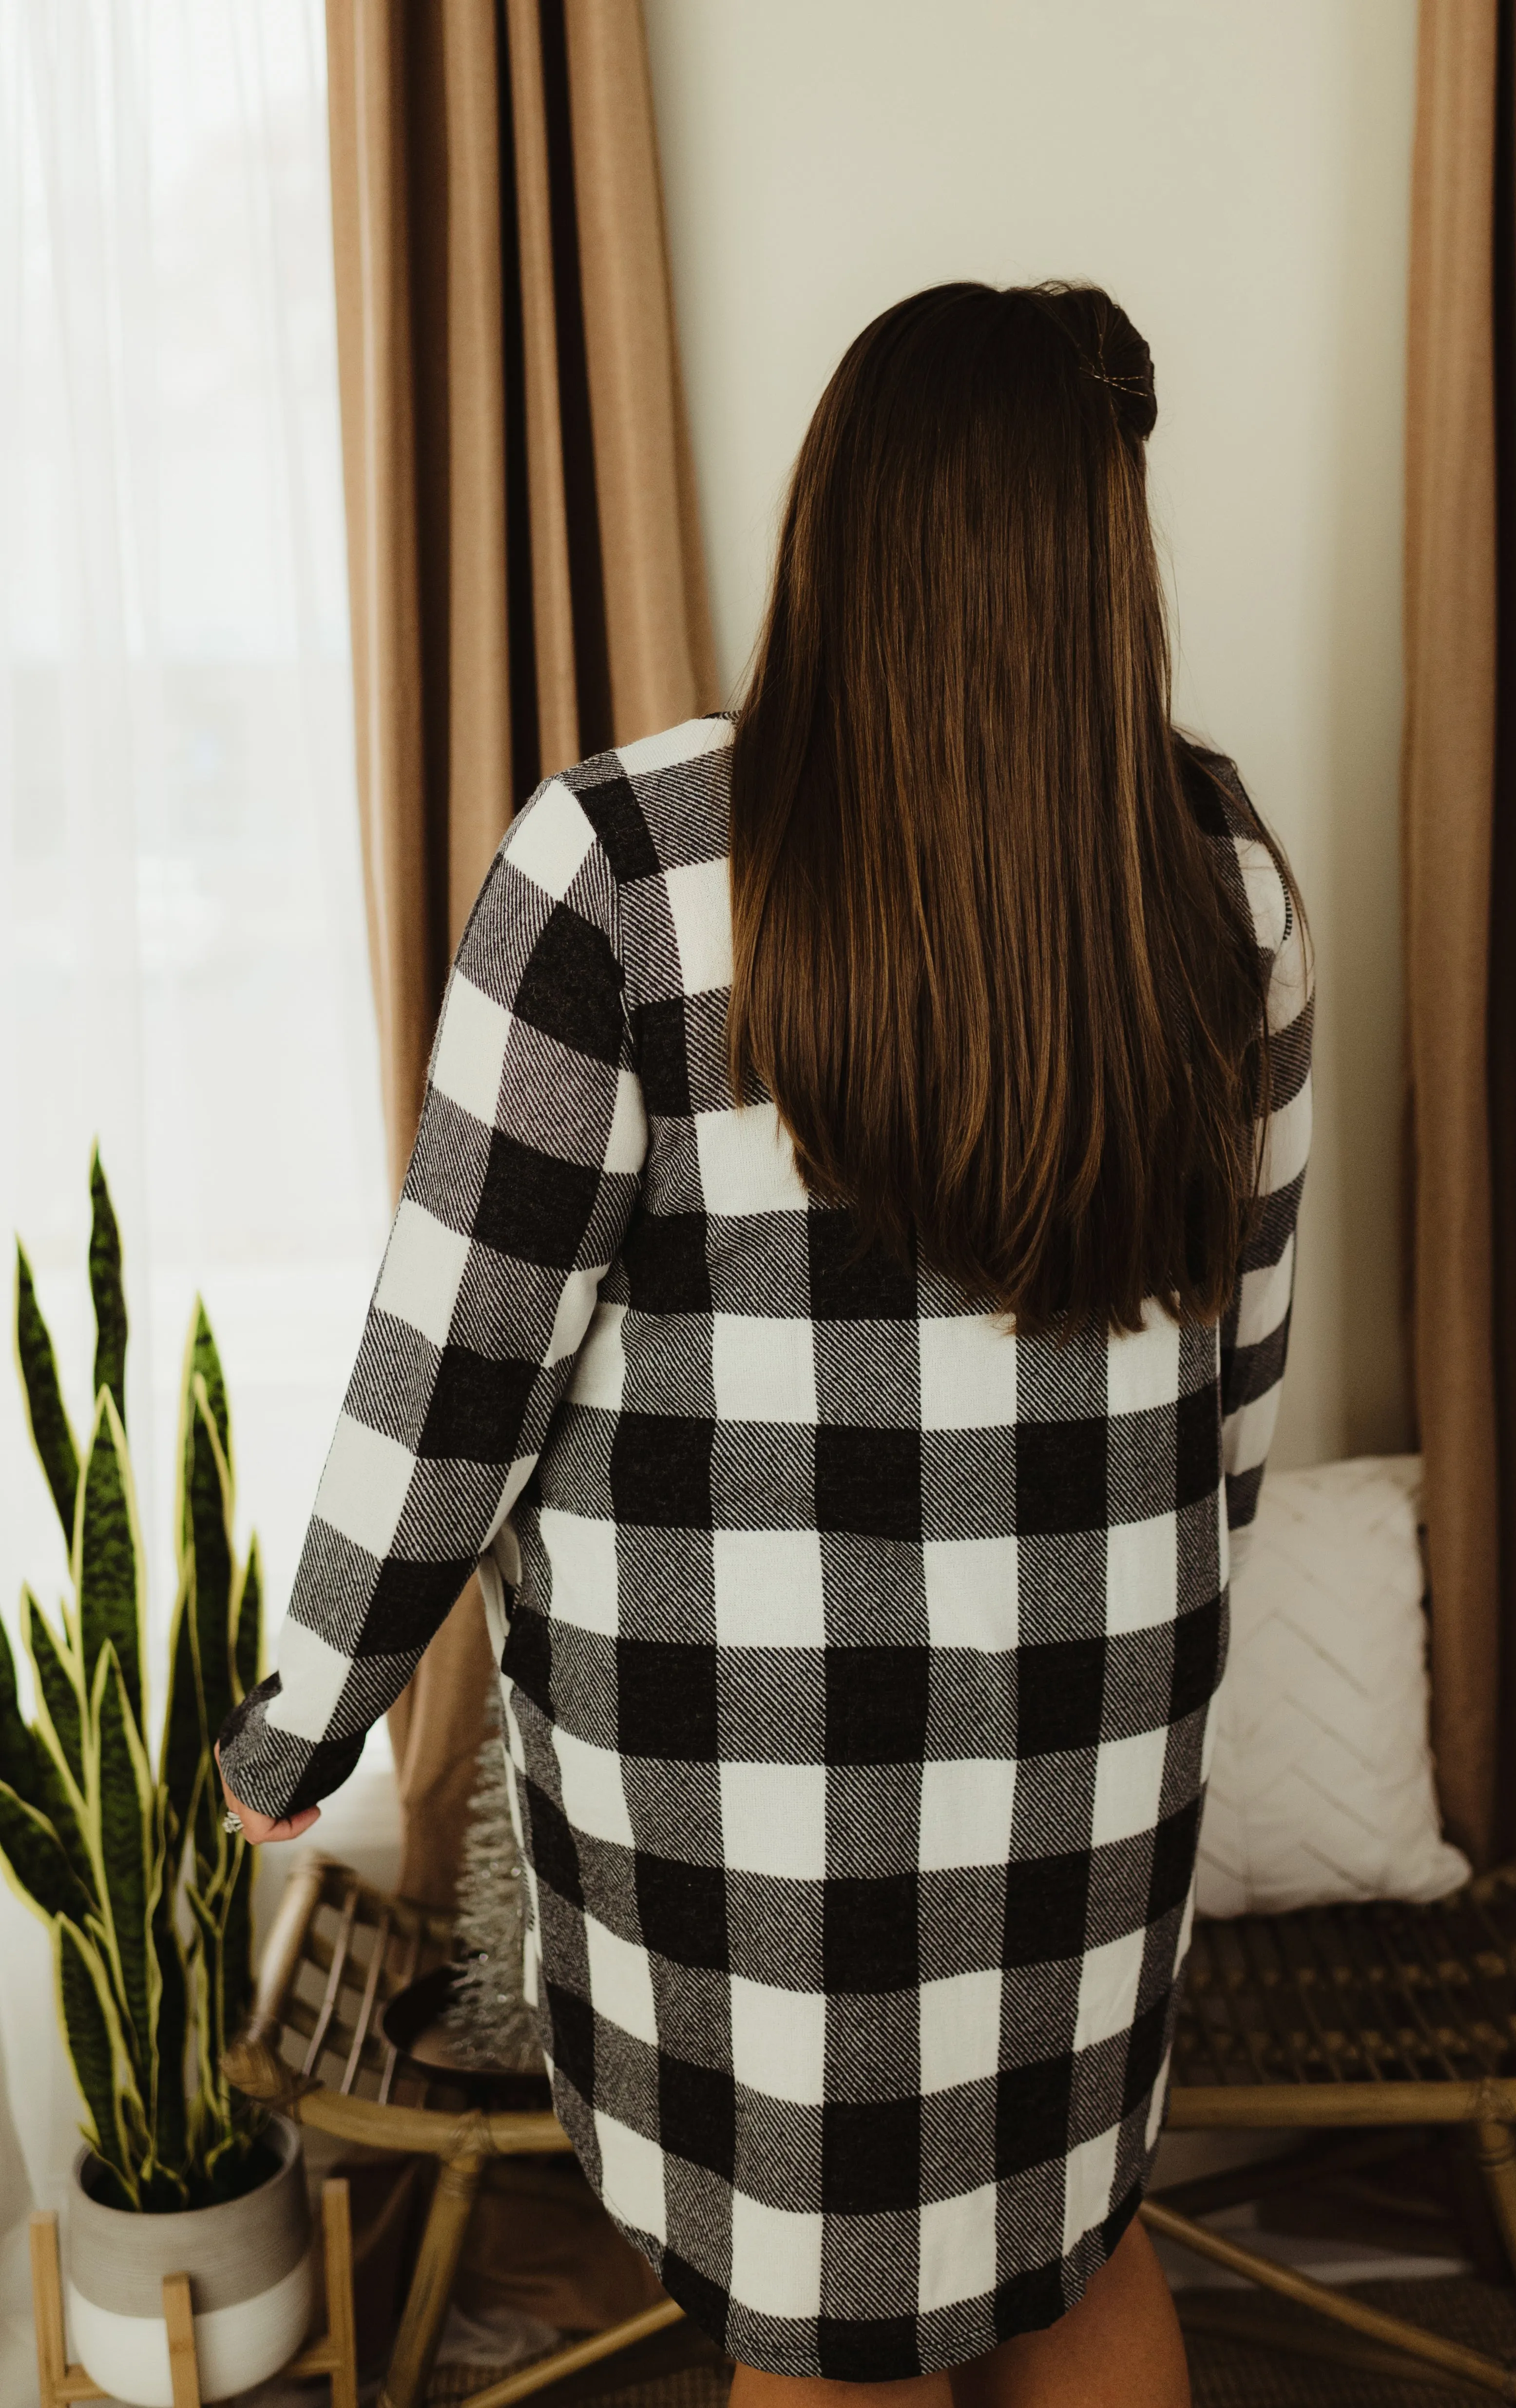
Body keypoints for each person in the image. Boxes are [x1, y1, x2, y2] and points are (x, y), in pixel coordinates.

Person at [219, 280, 1312, 2408]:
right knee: (1074, 2241)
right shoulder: (1218, 879)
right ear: (1103, 567)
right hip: (1087, 1743)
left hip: (747, 1790)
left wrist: (308, 1716)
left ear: (839, 523)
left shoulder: (620, 866)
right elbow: (1231, 1390)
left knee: (822, 2328)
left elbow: (459, 1360)